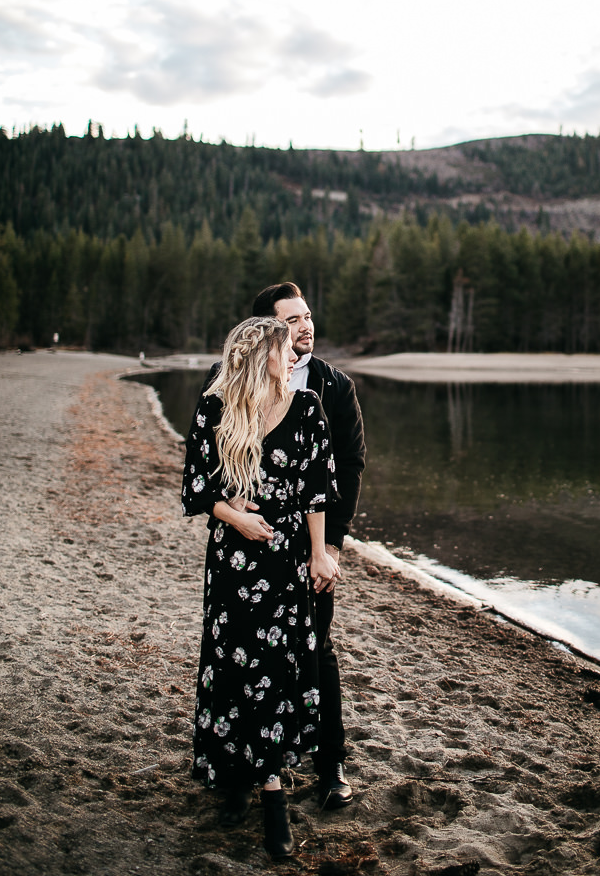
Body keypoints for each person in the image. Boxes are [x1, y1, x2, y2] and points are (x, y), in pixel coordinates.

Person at [182, 316, 339, 859]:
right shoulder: (216, 407)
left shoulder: (308, 408)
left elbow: (317, 490)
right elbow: (196, 485)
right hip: (233, 559)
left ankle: (273, 793)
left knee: (274, 670)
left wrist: (319, 553)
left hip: (286, 561)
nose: (295, 354)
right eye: (285, 346)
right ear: (260, 356)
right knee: (231, 666)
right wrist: (235, 517)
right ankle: (235, 779)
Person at [251, 282, 366, 810]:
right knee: (252, 651)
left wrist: (332, 547)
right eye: (292, 319)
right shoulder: (232, 378)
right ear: (266, 329)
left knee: (317, 648)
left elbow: (349, 468)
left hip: (312, 543)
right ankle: (256, 763)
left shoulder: (335, 387)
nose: (306, 326)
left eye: (308, 316)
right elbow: (210, 453)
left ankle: (330, 764)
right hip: (250, 542)